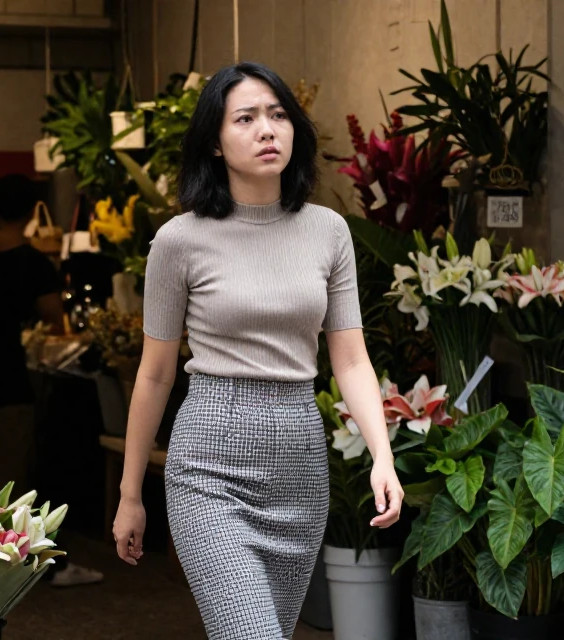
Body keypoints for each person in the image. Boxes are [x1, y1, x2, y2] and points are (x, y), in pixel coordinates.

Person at [112, 62, 404, 639]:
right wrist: (130, 494)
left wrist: (382, 455)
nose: (267, 130)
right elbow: (154, 375)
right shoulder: (179, 241)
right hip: (208, 467)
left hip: (299, 462)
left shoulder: (328, 231)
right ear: (215, 144)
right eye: (245, 118)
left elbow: (350, 358)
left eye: (278, 116)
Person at [0, 174, 104, 587]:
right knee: (10, 477)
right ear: (30, 210)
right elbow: (55, 320)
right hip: (7, 373)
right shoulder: (33, 262)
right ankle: (17, 566)